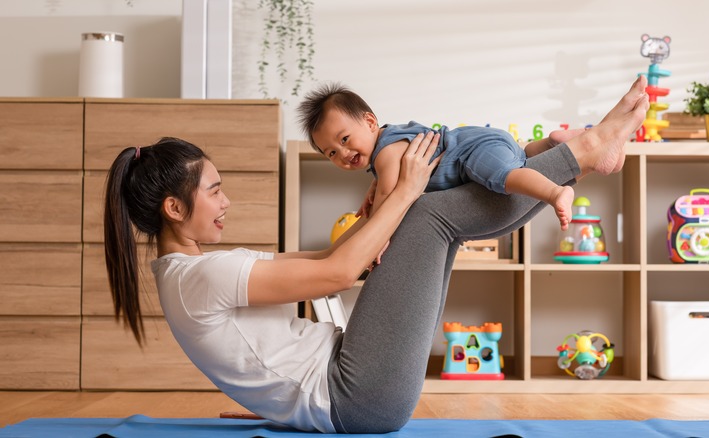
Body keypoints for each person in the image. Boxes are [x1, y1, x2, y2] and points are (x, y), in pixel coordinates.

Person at [103, 76, 648, 434]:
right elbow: (339, 274)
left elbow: (329, 257)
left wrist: (373, 213)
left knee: (428, 215)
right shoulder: (202, 276)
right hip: (357, 394)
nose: (226, 202)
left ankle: (566, 155)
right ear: (174, 208)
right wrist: (405, 190)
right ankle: (579, 152)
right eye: (214, 190)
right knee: (428, 214)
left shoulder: (192, 273)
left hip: (350, 382)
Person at [298, 84, 588, 231]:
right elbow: (385, 184)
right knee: (521, 158)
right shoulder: (388, 144)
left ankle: (555, 192)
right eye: (332, 153)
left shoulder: (386, 152)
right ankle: (552, 143)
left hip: (471, 152)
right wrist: (373, 191)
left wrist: (379, 239)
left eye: (345, 140)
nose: (344, 154)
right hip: (483, 141)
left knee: (503, 177)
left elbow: (389, 199)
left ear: (371, 122)